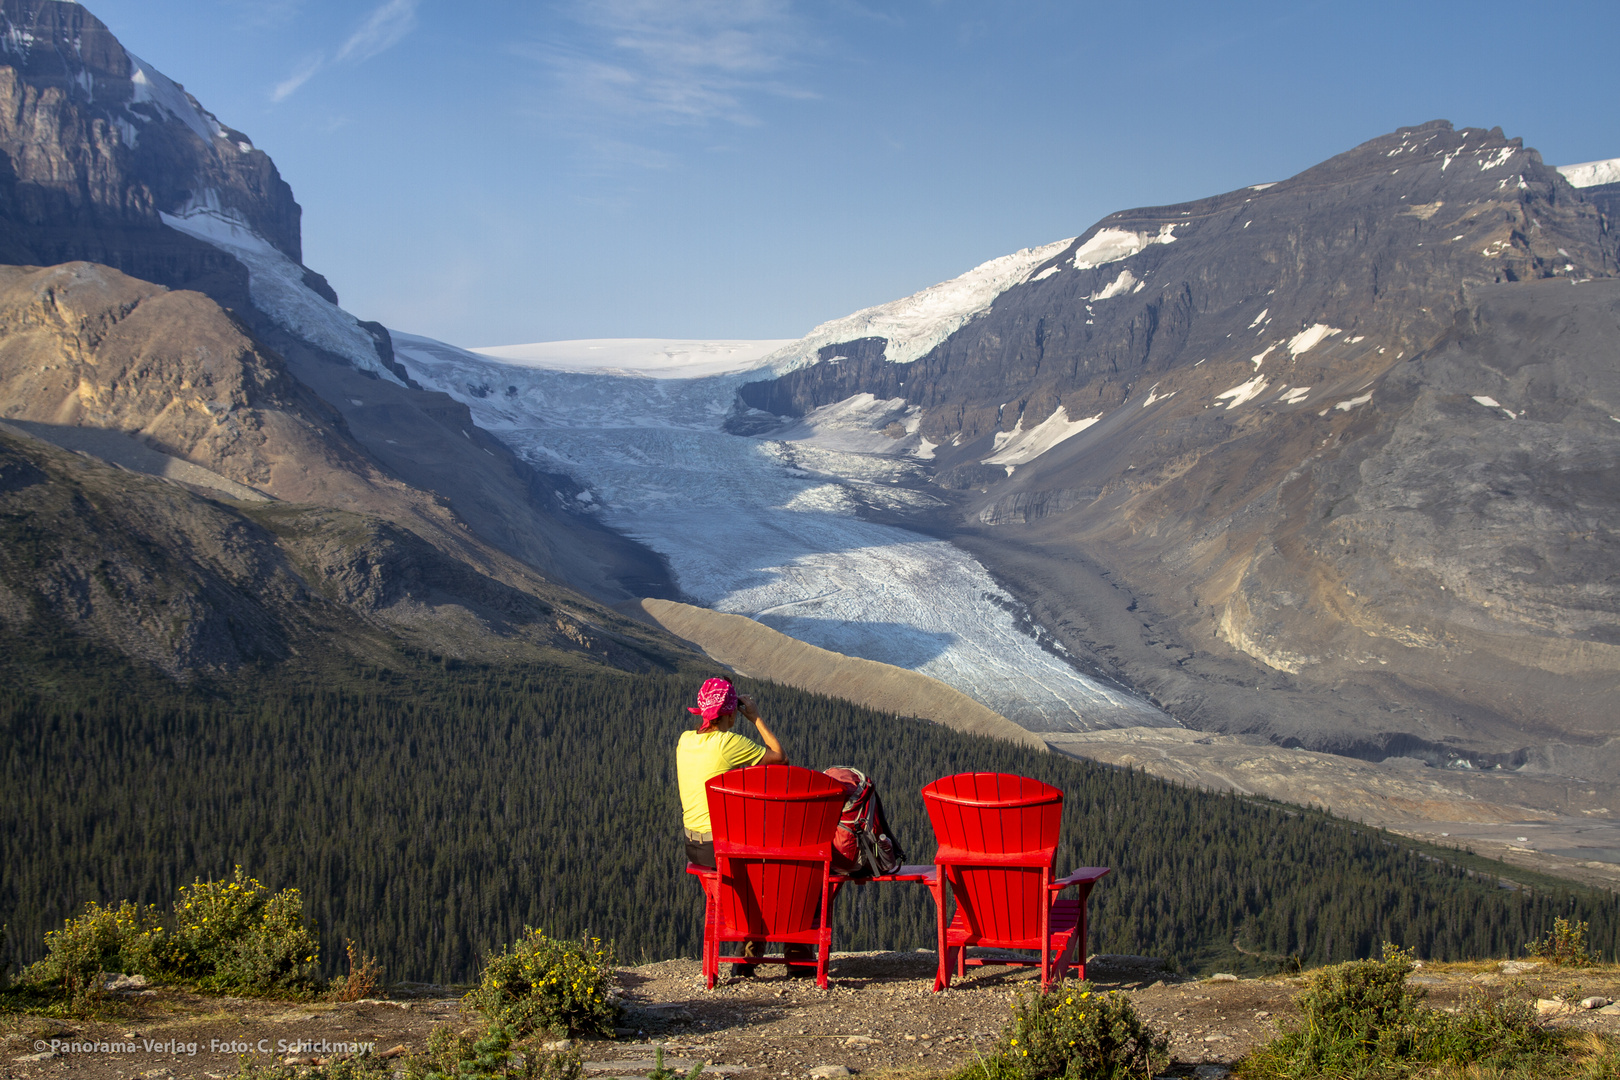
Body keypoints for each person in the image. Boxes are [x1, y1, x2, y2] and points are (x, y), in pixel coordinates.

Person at [676, 676, 789, 977]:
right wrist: (756, 718)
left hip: (694, 847)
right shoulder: (728, 743)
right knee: (781, 873)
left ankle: (749, 957)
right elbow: (780, 756)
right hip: (719, 849)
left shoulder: (685, 741)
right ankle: (767, 957)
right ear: (729, 713)